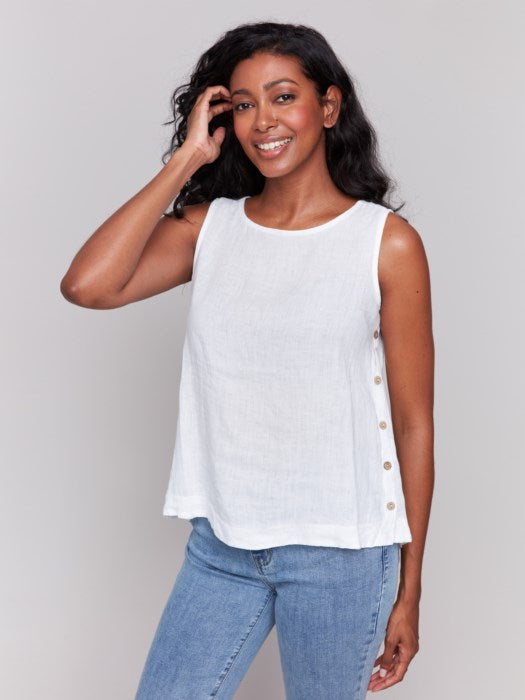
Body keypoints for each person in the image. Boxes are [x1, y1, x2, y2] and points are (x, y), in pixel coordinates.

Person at [60, 21, 434, 700]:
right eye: (241, 104)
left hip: (340, 553)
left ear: (328, 105)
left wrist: (408, 590)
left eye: (283, 96)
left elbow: (412, 423)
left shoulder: (384, 243)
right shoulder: (209, 229)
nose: (262, 120)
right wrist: (185, 161)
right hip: (222, 547)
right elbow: (88, 286)